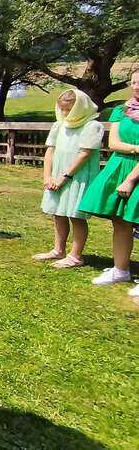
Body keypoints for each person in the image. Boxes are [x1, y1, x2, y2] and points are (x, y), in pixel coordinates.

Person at [78, 71, 139, 292]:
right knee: (120, 221)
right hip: (120, 166)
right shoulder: (121, 111)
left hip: (134, 171)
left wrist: (131, 179)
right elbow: (113, 143)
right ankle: (121, 269)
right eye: (134, 82)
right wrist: (135, 149)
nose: (136, 86)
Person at [33, 89, 104, 269]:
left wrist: (64, 177)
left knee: (76, 215)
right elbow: (50, 150)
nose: (64, 113)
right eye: (62, 109)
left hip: (78, 176)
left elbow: (84, 154)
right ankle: (59, 249)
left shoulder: (92, 126)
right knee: (58, 212)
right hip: (56, 176)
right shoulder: (59, 125)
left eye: (68, 109)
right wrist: (48, 176)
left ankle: (76, 255)